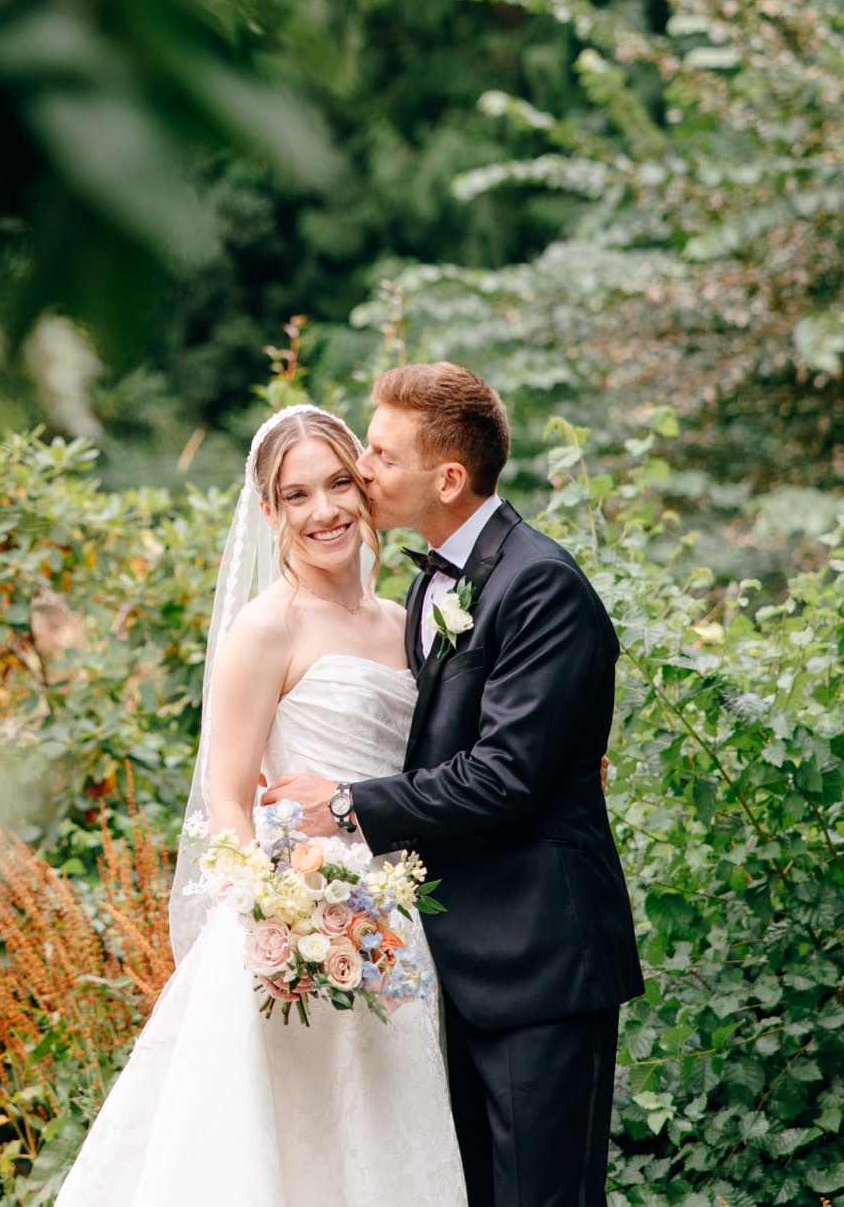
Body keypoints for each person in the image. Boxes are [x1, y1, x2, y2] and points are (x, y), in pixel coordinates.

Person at [55, 404, 469, 1207]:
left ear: (364, 486)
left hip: (397, 926)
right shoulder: (265, 629)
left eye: (339, 484)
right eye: (297, 495)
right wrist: (281, 916)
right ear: (271, 513)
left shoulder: (406, 621)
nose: (325, 511)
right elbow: (227, 798)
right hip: (297, 924)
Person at [266, 362, 643, 1207]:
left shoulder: (539, 583)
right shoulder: (431, 582)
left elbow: (504, 773)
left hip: (539, 956)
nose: (361, 468)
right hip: (455, 956)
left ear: (447, 479)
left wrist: (345, 804)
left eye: (381, 454)